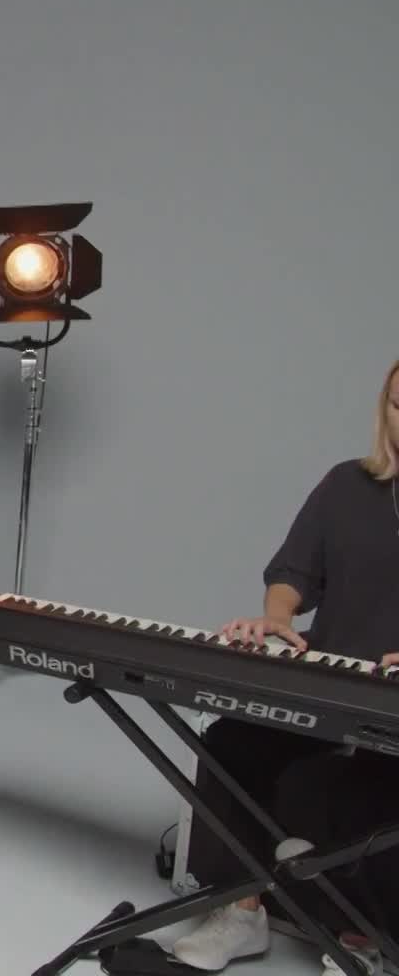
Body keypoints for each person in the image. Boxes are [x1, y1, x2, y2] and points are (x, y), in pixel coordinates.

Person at [168, 359, 399, 973]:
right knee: (230, 741)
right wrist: (279, 617)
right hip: (328, 686)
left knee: (376, 780)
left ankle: (362, 941)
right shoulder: (349, 485)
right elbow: (293, 571)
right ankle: (241, 910)